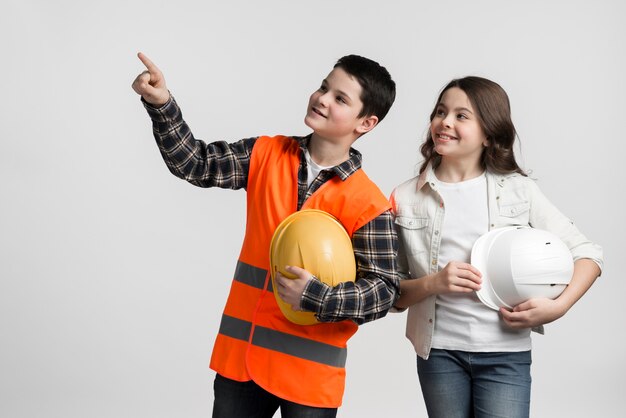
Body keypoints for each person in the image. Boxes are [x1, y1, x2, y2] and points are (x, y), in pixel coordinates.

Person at [131, 52, 399, 418]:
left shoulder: (368, 202)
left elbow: (384, 291)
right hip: (241, 362)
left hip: (309, 376)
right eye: (324, 87)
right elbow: (195, 163)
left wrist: (318, 297)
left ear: (366, 123)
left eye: (340, 98)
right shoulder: (266, 154)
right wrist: (161, 104)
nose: (321, 98)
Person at [390, 76, 603, 418]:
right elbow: (391, 292)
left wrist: (558, 307)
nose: (445, 122)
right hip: (439, 353)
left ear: (488, 133)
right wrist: (434, 283)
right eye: (441, 112)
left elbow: (588, 253)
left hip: (506, 354)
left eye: (462, 116)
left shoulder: (519, 190)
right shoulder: (404, 197)